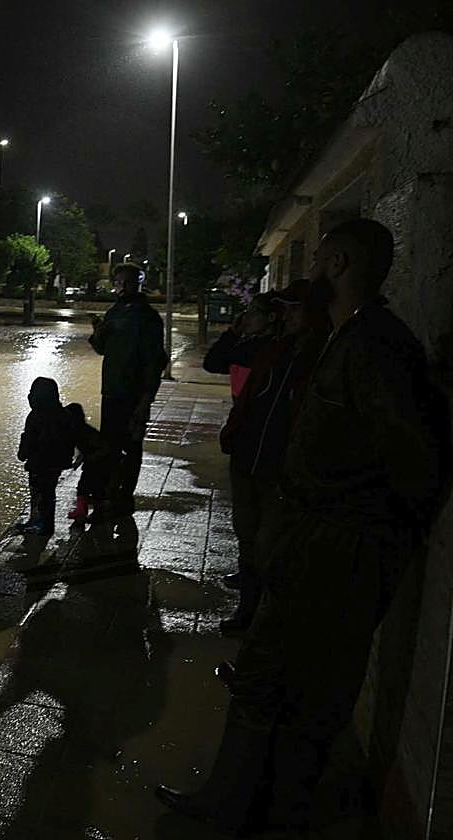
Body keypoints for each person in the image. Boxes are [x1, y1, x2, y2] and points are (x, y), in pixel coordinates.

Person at [155, 219, 446, 833]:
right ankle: (243, 800)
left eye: (316, 261)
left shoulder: (376, 347)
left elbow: (415, 464)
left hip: (340, 550)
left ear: (338, 264)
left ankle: (265, 810)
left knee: (307, 688)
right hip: (313, 541)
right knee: (270, 677)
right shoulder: (343, 337)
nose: (308, 274)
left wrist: (364, 537)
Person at [213, 281, 323, 635]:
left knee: (269, 545)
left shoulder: (318, 356)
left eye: (294, 309)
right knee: (247, 535)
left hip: (279, 467)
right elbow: (216, 362)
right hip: (247, 457)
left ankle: (262, 617)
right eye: (282, 310)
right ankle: (249, 608)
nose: (286, 316)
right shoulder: (271, 350)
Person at [88, 262, 167, 514]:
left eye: (126, 282)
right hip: (111, 390)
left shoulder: (148, 317)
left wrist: (146, 399)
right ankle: (109, 490)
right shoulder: (114, 312)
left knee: (131, 446)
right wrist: (98, 332)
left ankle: (124, 495)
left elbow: (155, 360)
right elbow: (103, 349)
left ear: (137, 283)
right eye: (117, 283)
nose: (121, 288)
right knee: (109, 444)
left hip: (134, 394)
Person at [17, 377, 76, 535]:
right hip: (56, 464)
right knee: (49, 493)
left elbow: (28, 440)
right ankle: (46, 524)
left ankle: (38, 525)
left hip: (39, 464)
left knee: (37, 495)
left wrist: (22, 455)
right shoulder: (63, 415)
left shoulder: (35, 417)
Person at [203, 292, 280, 399]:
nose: (247, 318)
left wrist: (233, 334)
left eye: (254, 312)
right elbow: (212, 364)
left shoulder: (262, 349)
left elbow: (212, 363)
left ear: (271, 317)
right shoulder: (249, 345)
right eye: (247, 312)